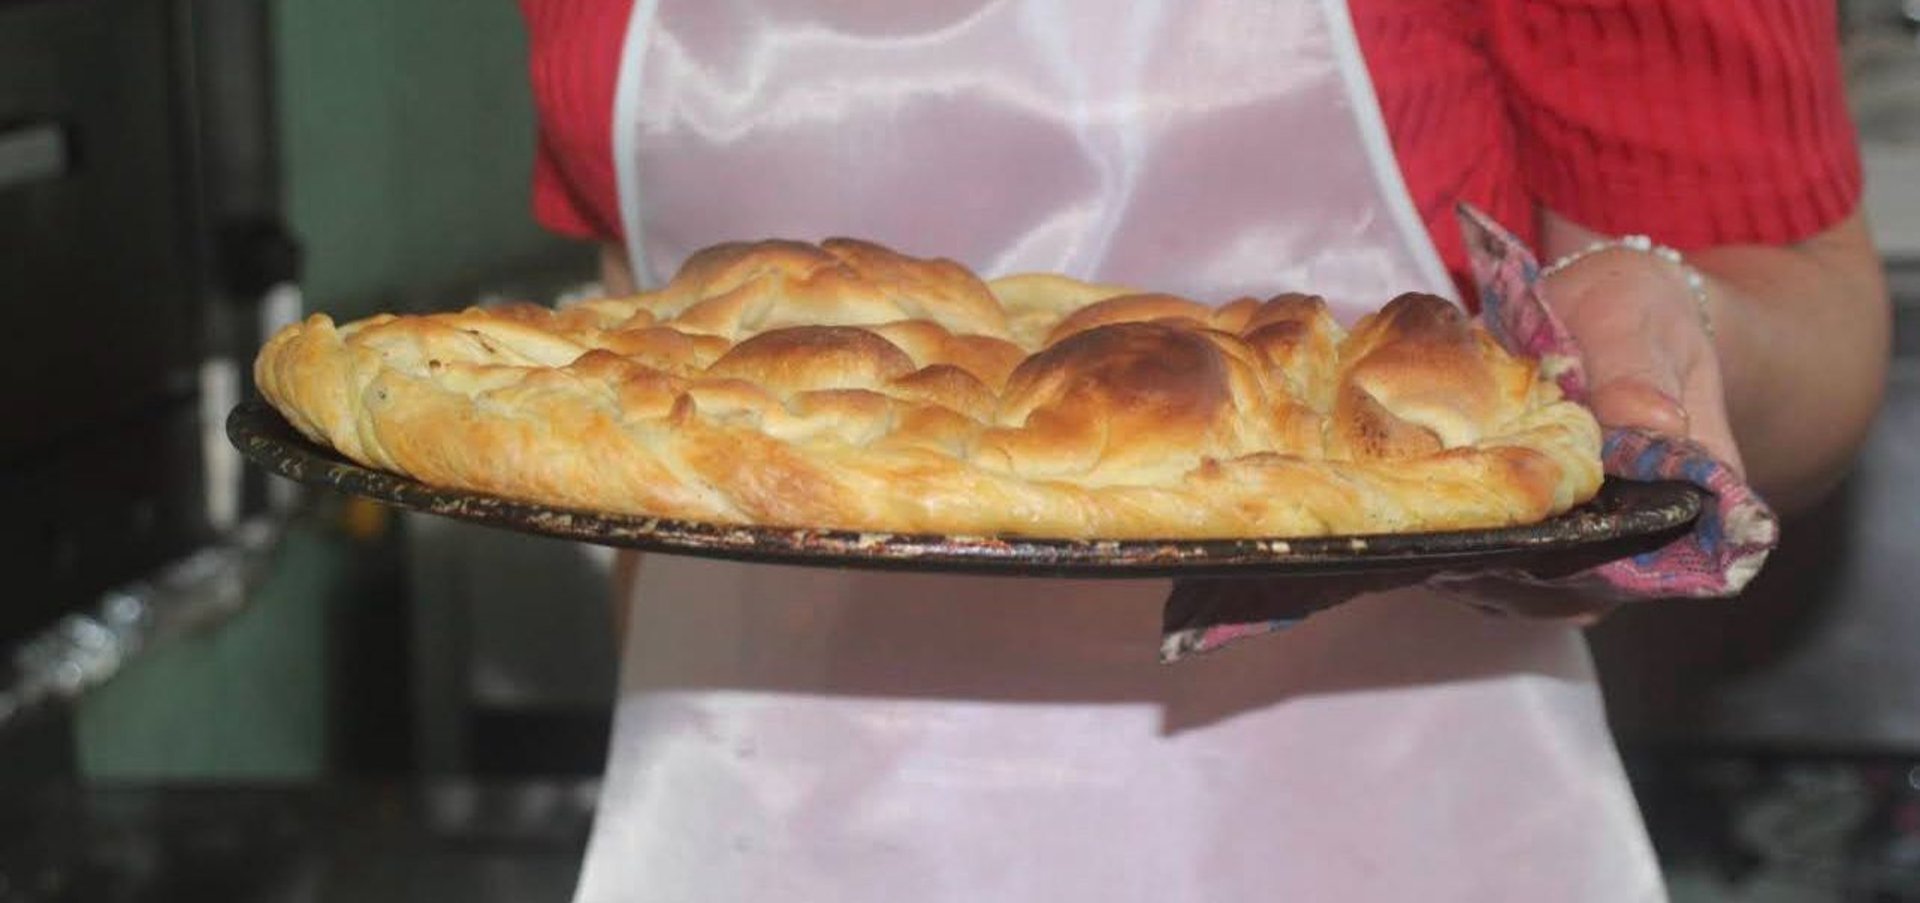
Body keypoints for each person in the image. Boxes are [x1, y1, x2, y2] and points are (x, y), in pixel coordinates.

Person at [516, 1, 1891, 900]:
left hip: (1381, 822)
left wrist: (1664, 340)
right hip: (747, 819)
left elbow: (1800, 308)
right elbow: (649, 346)